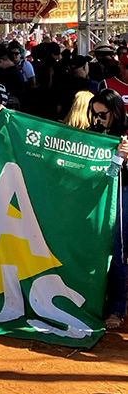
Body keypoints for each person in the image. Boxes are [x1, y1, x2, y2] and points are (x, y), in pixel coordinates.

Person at [87, 89, 128, 329]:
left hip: (121, 195)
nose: (98, 120)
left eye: (103, 115)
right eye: (94, 114)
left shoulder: (125, 134)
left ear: (115, 111)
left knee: (117, 249)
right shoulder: (93, 132)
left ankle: (115, 307)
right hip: (94, 197)